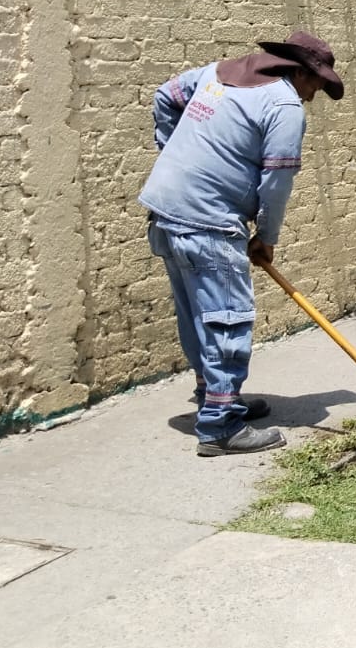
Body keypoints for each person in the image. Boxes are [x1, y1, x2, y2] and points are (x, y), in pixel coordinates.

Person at [139, 31, 344, 456]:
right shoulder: (284, 105)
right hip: (208, 221)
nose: (312, 97)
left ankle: (216, 398)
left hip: (166, 210)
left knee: (198, 314)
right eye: (316, 86)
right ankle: (220, 427)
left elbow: (165, 96)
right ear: (300, 72)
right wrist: (266, 238)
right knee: (227, 318)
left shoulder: (217, 74)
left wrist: (175, 155)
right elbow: (276, 182)